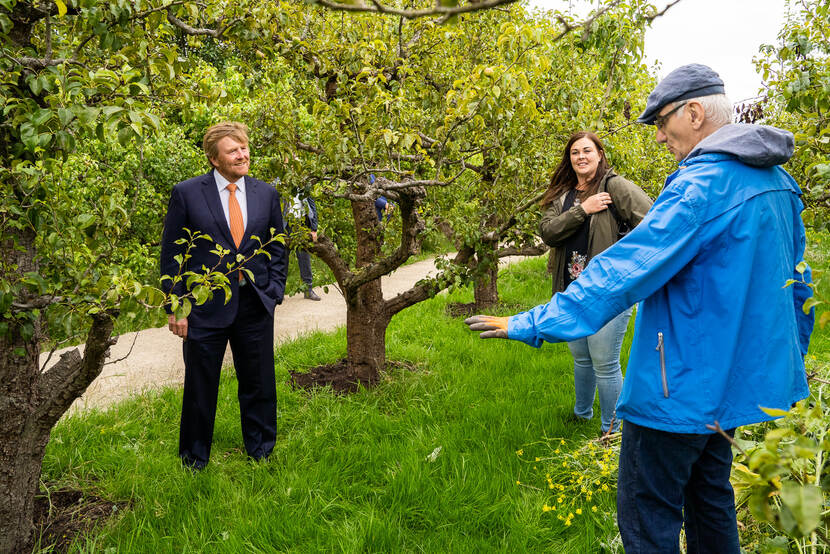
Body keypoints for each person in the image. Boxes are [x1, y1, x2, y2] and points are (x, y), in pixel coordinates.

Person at [465, 64, 814, 553]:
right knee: (709, 496)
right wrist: (787, 361)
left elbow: (623, 269)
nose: (657, 136)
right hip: (729, 383)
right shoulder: (778, 181)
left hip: (678, 389)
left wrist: (532, 322)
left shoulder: (700, 187)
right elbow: (799, 287)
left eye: (661, 121)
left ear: (694, 112)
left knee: (647, 517)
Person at [160, 121, 288, 470]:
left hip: (254, 305)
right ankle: (194, 460)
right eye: (233, 151)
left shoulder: (266, 194)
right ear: (214, 159)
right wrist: (176, 305)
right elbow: (172, 253)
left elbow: (278, 247)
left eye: (244, 148)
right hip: (204, 308)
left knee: (259, 383)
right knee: (201, 387)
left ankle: (261, 452)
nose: (243, 155)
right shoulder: (187, 193)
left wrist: (274, 290)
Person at [539, 131, 652, 434]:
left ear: (600, 153)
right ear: (569, 159)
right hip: (570, 292)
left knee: (604, 361)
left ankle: (612, 431)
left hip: (608, 293)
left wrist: (628, 257)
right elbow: (548, 232)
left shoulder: (616, 187)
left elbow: (654, 224)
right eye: (575, 152)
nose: (581, 157)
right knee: (581, 358)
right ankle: (581, 415)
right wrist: (582, 210)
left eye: (587, 150)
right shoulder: (562, 195)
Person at [282, 185, 321, 301]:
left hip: (302, 224)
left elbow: (312, 205)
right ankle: (280, 291)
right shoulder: (279, 181)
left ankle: (308, 290)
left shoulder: (304, 181)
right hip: (285, 224)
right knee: (282, 258)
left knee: (304, 257)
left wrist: (314, 228)